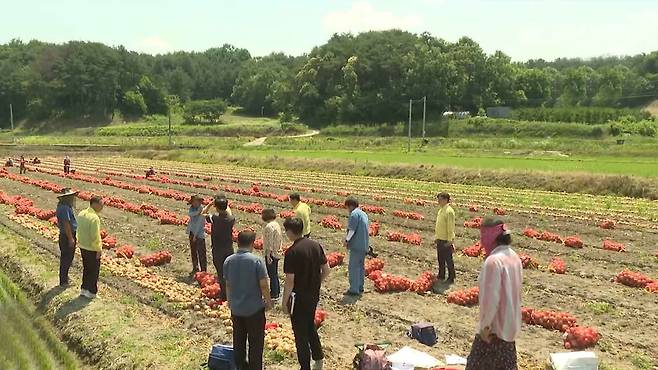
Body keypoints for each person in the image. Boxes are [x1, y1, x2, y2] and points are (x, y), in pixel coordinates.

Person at [466, 217, 522, 370]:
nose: (481, 240)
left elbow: (491, 299)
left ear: (490, 237)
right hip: (509, 328)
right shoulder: (514, 257)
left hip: (493, 332)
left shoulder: (493, 261)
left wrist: (484, 327)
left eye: (482, 235)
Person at [283, 217, 330, 370]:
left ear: (290, 231)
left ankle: (305, 366)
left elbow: (290, 280)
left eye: (286, 231)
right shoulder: (316, 245)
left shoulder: (292, 252)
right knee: (309, 325)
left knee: (300, 333)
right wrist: (316, 283)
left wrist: (284, 302)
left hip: (298, 297)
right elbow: (326, 269)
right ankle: (318, 358)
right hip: (313, 294)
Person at [224, 231, 272, 370]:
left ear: (238, 242)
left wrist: (230, 302)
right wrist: (268, 302)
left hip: (237, 309)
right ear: (252, 244)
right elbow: (263, 285)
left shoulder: (229, 260)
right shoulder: (256, 261)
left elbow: (227, 284)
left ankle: (240, 367)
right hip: (254, 310)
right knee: (255, 344)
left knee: (238, 341)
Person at [202, 196, 235, 301]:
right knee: (230, 272)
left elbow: (203, 213)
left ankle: (224, 296)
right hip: (229, 249)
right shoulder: (231, 219)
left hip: (218, 249)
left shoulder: (214, 218)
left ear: (216, 208)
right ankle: (232, 294)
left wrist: (210, 204)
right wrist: (224, 204)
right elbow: (228, 212)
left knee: (221, 273)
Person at [76, 196, 104, 299]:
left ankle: (84, 289)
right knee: (94, 270)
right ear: (95, 204)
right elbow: (95, 236)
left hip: (83, 246)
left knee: (86, 268)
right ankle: (91, 292)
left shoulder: (81, 214)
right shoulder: (94, 218)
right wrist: (98, 249)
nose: (102, 207)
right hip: (92, 248)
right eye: (101, 204)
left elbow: (79, 229)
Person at [343, 197, 368, 296]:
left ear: (350, 206)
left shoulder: (354, 214)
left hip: (356, 245)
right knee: (361, 266)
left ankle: (354, 289)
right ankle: (360, 286)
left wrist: (346, 240)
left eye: (347, 207)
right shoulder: (363, 213)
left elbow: (352, 230)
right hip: (364, 244)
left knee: (353, 267)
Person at [56, 188, 78, 287]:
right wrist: (70, 238)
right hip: (67, 235)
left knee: (66, 257)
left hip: (64, 235)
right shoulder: (65, 208)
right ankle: (64, 281)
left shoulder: (61, 206)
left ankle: (64, 278)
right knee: (67, 258)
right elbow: (66, 223)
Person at [261, 208, 283, 300]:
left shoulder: (269, 227)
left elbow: (269, 242)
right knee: (275, 273)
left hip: (271, 253)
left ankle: (274, 293)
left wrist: (268, 255)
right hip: (277, 251)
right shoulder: (276, 224)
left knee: (272, 274)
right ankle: (277, 291)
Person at [435, 192, 456, 283]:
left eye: (439, 199)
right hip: (440, 238)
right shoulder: (441, 210)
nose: (438, 201)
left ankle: (451, 277)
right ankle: (441, 275)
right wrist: (437, 237)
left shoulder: (449, 211)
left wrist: (450, 240)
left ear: (445, 199)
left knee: (448, 259)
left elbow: (450, 227)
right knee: (440, 258)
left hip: (446, 240)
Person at [187, 194, 207, 274]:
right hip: (192, 232)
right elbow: (190, 214)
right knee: (193, 251)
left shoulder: (202, 210)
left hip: (199, 234)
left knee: (201, 253)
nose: (195, 203)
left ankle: (203, 270)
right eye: (193, 202)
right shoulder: (192, 209)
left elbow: (200, 223)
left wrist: (195, 235)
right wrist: (197, 213)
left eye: (196, 201)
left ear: (199, 202)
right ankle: (195, 267)